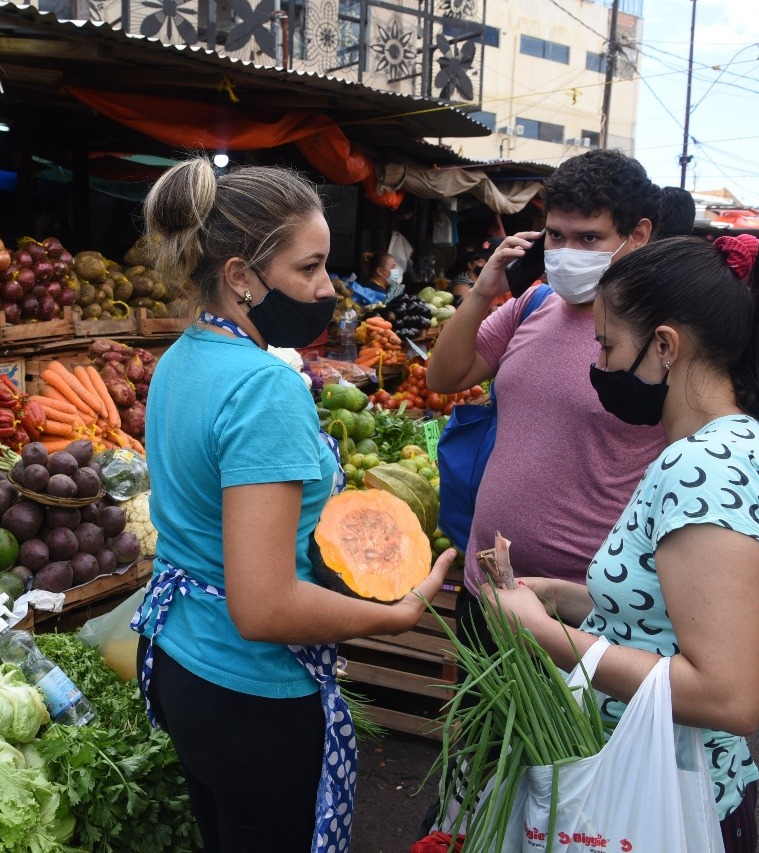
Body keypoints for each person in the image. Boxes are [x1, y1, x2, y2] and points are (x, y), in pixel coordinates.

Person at [132, 158, 450, 852]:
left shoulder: (181, 357)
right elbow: (264, 605)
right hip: (252, 694)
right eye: (309, 268)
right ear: (243, 274)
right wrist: (395, 616)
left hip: (182, 660)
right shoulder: (262, 388)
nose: (327, 288)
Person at [490, 234, 759, 853]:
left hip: (662, 806)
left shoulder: (713, 470)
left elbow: (727, 695)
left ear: (665, 346)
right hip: (651, 791)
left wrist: (546, 637)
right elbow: (669, 622)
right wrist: (568, 598)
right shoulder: (721, 449)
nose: (602, 367)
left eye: (609, 345)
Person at [426, 148, 664, 650]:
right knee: (483, 729)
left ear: (636, 236)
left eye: (589, 238)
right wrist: (482, 289)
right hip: (488, 585)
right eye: (556, 235)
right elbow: (443, 376)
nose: (566, 251)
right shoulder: (532, 305)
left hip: (584, 605)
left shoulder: (662, 337)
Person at [447, 241, 496, 307]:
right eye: (480, 262)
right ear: (470, 265)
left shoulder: (481, 282)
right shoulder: (462, 281)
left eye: (486, 261)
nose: (485, 265)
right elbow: (465, 308)